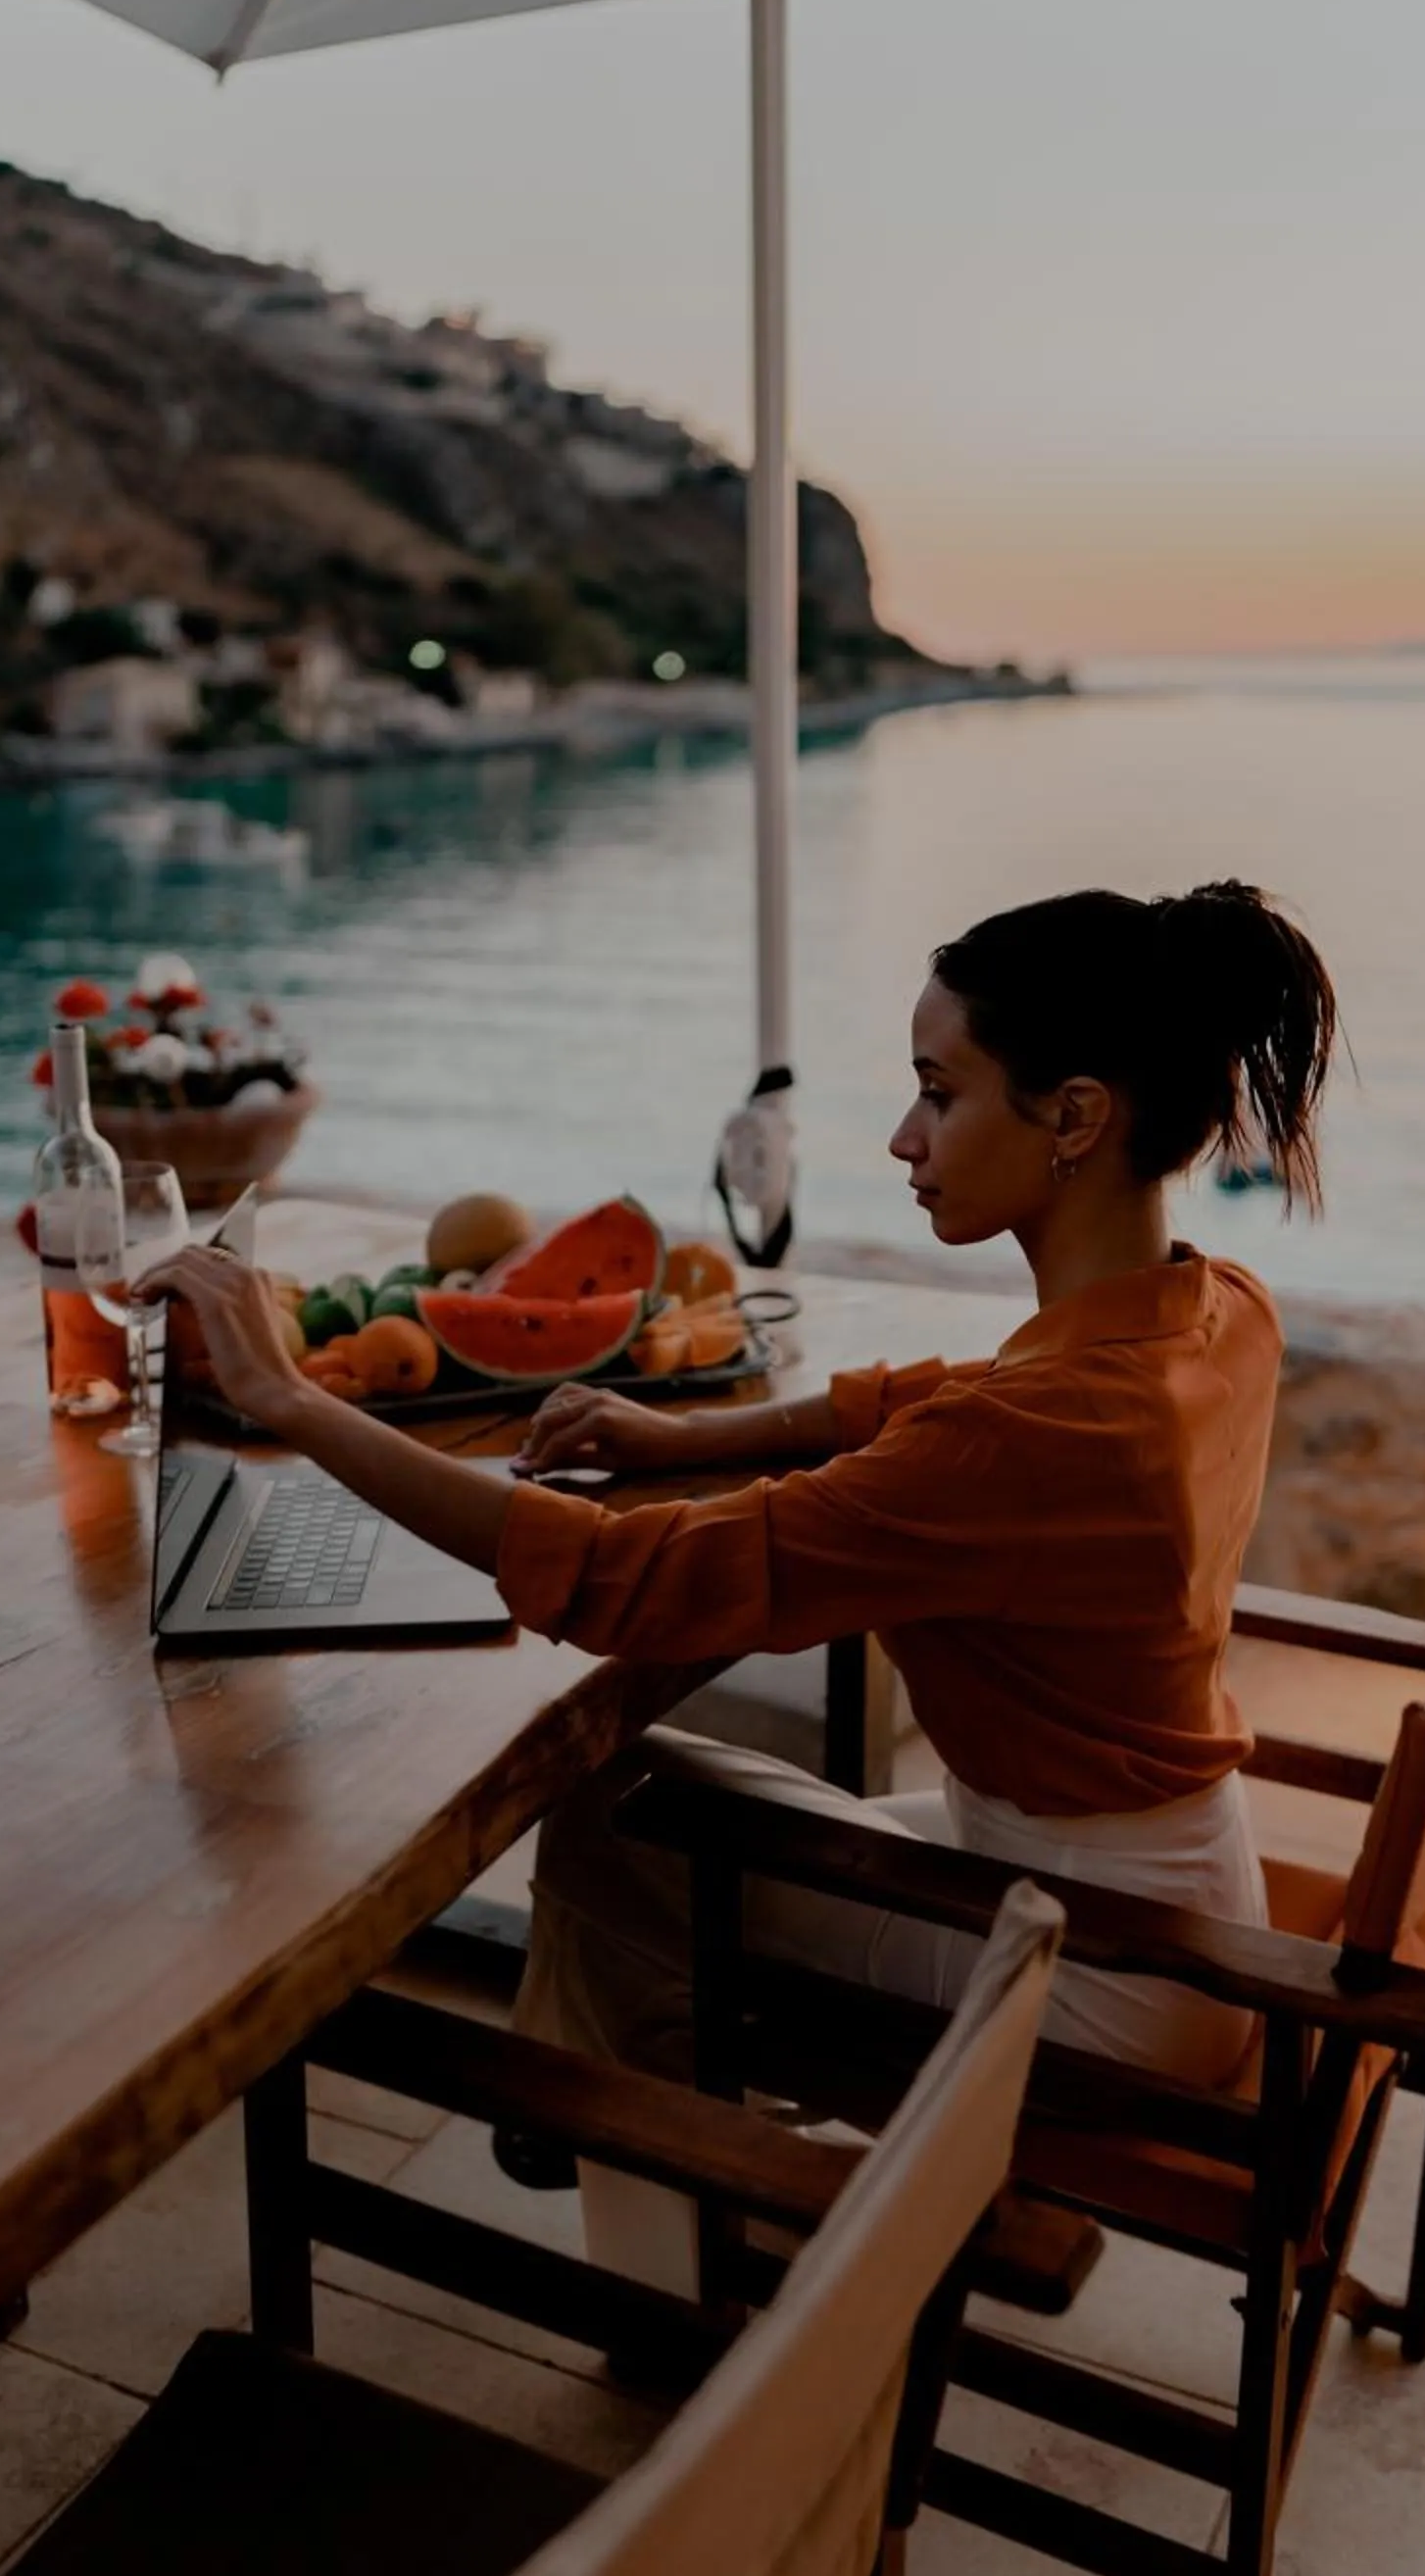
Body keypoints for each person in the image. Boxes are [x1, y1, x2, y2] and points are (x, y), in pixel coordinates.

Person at [151, 880, 1340, 2228]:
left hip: (1095, 1976)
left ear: (1073, 1115)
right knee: (634, 1812)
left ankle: (652, 2186)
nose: (903, 1137)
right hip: (1167, 1888)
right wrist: (673, 1444)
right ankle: (636, 2108)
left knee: (617, 1825)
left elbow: (623, 1583)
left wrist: (291, 1402)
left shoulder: (1035, 1438)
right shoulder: (1210, 1311)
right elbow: (935, 1405)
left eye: (938, 1093)